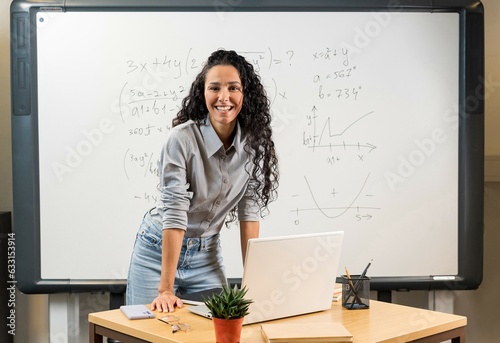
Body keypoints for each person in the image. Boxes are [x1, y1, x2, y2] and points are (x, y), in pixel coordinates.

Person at [126, 49, 279, 313]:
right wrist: (165, 289)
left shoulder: (254, 144)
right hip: (157, 251)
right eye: (214, 88)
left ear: (245, 94)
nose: (224, 97)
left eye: (233, 88)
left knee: (221, 327)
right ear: (203, 93)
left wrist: (255, 283)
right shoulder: (181, 140)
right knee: (145, 332)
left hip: (206, 256)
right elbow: (175, 212)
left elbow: (249, 212)